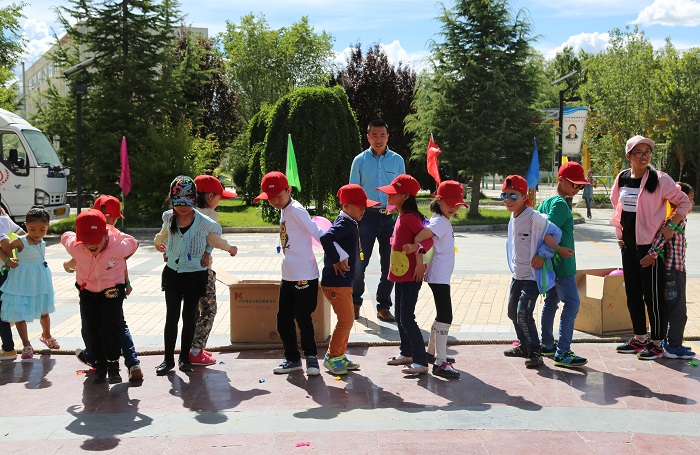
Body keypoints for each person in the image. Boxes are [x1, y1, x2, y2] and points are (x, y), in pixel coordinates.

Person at [610, 135, 691, 360]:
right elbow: (617, 205)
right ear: (629, 156)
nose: (644, 156)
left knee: (652, 296)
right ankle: (639, 338)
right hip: (629, 245)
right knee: (633, 294)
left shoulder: (660, 179)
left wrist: (670, 227)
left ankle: (656, 343)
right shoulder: (622, 178)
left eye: (647, 152)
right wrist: (620, 234)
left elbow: (684, 202)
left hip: (650, 247)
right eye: (639, 152)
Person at [156, 176, 231, 375]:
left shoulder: (204, 220)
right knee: (171, 317)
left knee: (189, 317)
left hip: (194, 275)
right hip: (173, 274)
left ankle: (184, 359)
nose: (182, 208)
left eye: (187, 203)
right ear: (172, 201)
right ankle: (167, 360)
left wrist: (208, 251)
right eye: (178, 203)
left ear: (194, 199)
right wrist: (162, 246)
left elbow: (215, 234)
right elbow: (164, 235)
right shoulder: (169, 217)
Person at [65, 195, 143, 381]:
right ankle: (101, 364)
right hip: (88, 291)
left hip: (112, 289)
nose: (91, 244)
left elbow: (132, 245)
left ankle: (115, 365)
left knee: (112, 326)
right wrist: (69, 263)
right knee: (94, 328)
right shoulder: (78, 246)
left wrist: (124, 278)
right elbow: (66, 238)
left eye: (111, 220)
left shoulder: (117, 243)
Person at [254, 171, 322, 376]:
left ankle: (311, 358)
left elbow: (318, 232)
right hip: (288, 276)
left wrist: (340, 256)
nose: (275, 201)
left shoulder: (296, 210)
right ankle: (292, 359)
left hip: (304, 276)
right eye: (271, 199)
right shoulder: (284, 209)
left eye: (279, 196)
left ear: (289, 190)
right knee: (283, 320)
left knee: (303, 317)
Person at [403, 180, 466, 378]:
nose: (453, 208)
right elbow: (419, 237)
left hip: (440, 275)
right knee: (446, 316)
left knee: (442, 315)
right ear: (438, 200)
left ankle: (432, 354)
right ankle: (440, 362)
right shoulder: (439, 221)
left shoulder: (441, 219)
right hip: (438, 275)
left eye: (457, 204)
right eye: (450, 203)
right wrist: (418, 258)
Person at [501, 175, 562, 368]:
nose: (508, 200)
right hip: (517, 275)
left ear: (524, 196)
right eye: (504, 195)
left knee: (523, 314)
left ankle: (535, 352)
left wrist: (543, 254)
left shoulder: (533, 218)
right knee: (513, 312)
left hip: (532, 277)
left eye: (513, 196)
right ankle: (524, 346)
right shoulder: (514, 216)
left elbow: (556, 233)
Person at [319, 184, 380, 375]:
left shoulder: (348, 221)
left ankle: (340, 354)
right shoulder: (344, 223)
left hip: (343, 282)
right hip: (336, 282)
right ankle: (332, 357)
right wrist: (335, 260)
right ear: (346, 206)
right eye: (360, 206)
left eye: (365, 207)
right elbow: (326, 238)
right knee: (346, 320)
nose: (364, 210)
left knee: (348, 319)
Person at [350, 119, 406, 322]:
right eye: (374, 135)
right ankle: (355, 302)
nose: (378, 139)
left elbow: (403, 190)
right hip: (366, 217)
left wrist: (398, 211)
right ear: (368, 137)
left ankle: (383, 306)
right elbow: (353, 192)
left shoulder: (397, 160)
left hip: (390, 217)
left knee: (390, 264)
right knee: (358, 263)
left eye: (382, 135)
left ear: (388, 137)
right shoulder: (359, 161)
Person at [378, 174, 433, 375]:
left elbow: (428, 239)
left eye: (393, 193)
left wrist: (418, 260)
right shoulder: (401, 215)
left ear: (405, 196)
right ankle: (406, 352)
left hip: (411, 276)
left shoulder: (410, 217)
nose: (388, 196)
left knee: (407, 318)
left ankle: (421, 361)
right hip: (401, 275)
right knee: (401, 317)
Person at [537, 162, 589, 367]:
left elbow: (540, 229)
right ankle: (563, 351)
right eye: (574, 184)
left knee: (551, 301)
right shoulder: (559, 203)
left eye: (580, 186)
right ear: (561, 180)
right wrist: (558, 249)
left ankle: (547, 344)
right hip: (562, 263)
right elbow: (547, 232)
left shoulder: (547, 202)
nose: (577, 189)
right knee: (572, 303)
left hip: (552, 263)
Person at [640, 182, 695, 360]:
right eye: (690, 199)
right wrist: (652, 254)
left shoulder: (673, 218)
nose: (692, 203)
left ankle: (666, 342)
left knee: (668, 307)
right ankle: (673, 346)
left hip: (672, 270)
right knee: (678, 310)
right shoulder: (674, 220)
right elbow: (662, 237)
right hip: (674, 271)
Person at [189, 174, 237, 366]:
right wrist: (230, 248)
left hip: (184, 271)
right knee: (209, 309)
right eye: (219, 197)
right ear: (210, 196)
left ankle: (191, 348)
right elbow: (212, 238)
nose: (219, 201)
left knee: (192, 311)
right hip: (202, 272)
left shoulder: (185, 213)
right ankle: (196, 350)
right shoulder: (208, 216)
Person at [0, 207, 58, 360]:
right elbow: (3, 246)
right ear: (26, 225)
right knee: (19, 314)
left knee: (44, 312)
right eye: (32, 229)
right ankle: (26, 344)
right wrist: (7, 260)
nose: (37, 233)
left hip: (39, 281)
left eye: (42, 230)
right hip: (21, 281)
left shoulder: (42, 241)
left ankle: (46, 335)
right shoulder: (21, 241)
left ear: (48, 226)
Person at [0, 209, 24, 361]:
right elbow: (24, 235)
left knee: (1, 312)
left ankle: (8, 348)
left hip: (2, 271)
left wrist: (8, 260)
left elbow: (3, 242)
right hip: (5, 272)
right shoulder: (5, 219)